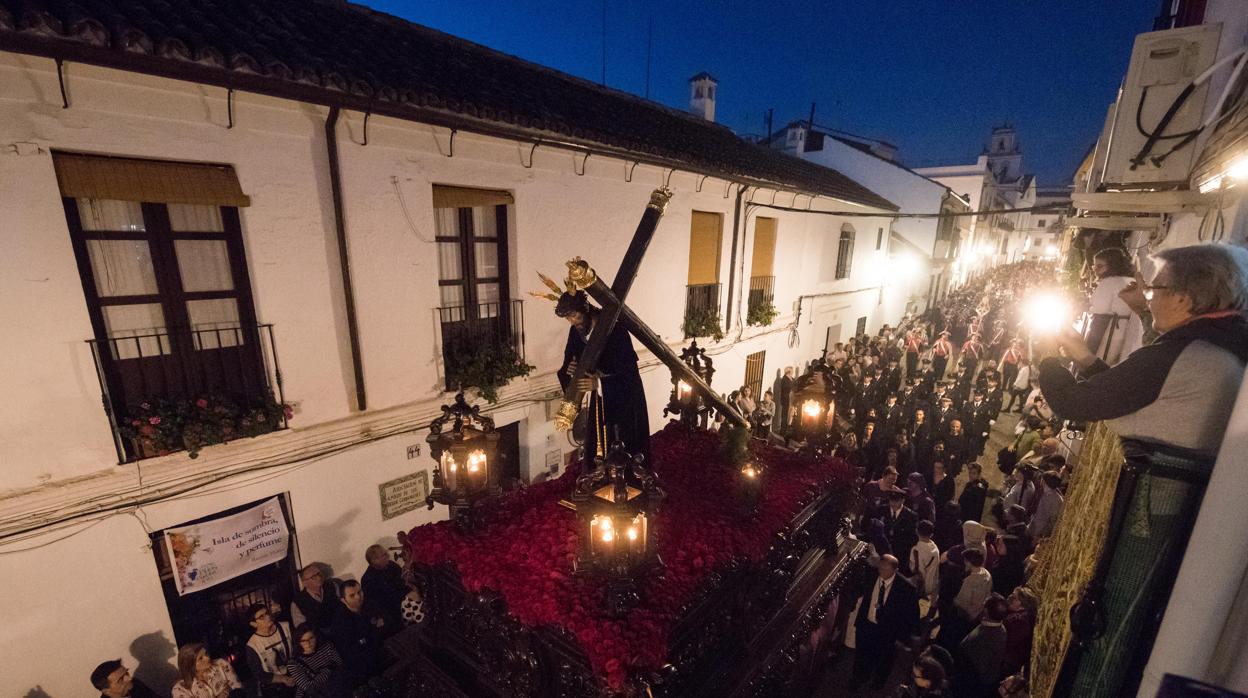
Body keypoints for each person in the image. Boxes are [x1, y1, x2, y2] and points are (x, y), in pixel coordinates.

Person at [1037, 243, 1248, 698]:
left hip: (1151, 510)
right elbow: (1124, 392)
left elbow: (1077, 402)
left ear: (1185, 300)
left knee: (1110, 624)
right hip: (1170, 502)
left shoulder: (1184, 354)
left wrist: (1046, 357)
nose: (1147, 296)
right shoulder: (1213, 346)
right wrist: (1087, 359)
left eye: (1156, 288)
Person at [556, 283, 649, 462]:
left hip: (624, 403)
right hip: (600, 403)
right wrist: (570, 370)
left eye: (574, 316)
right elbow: (568, 363)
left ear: (586, 308)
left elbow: (629, 374)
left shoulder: (616, 330)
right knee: (598, 449)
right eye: (568, 319)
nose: (573, 322)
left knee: (623, 447)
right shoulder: (576, 332)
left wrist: (599, 384)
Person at [850, 555, 921, 691]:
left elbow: (910, 616)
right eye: (880, 568)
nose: (881, 573)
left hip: (887, 632)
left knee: (884, 661)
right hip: (866, 625)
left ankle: (877, 684)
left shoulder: (906, 588)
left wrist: (902, 638)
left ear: (895, 570)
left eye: (886, 570)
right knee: (861, 655)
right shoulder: (871, 575)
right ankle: (858, 678)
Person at [1084, 246, 1143, 365]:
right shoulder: (1129, 279)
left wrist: (1086, 307)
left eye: (1100, 266)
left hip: (1109, 331)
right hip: (1123, 328)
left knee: (1097, 362)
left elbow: (1100, 308)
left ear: (1112, 265)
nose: (1095, 270)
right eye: (1095, 266)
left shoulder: (1109, 282)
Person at [329, 580, 385, 688]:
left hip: (380, 648)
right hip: (362, 664)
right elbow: (352, 650)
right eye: (352, 595)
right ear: (343, 600)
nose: (358, 597)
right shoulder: (340, 622)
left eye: (359, 592)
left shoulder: (369, 604)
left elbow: (386, 621)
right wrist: (374, 631)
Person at [955, 594, 1009, 698]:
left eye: (984, 604)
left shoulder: (988, 638)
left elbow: (977, 668)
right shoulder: (997, 627)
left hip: (970, 683)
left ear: (986, 611)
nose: (982, 604)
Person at [244, 602, 296, 695]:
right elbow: (259, 674)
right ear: (253, 624)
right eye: (261, 617)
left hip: (296, 672)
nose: (268, 617)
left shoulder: (285, 627)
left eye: (267, 613)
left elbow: (298, 648)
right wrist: (283, 679)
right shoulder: (252, 645)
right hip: (274, 686)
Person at [289, 624, 351, 698]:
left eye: (311, 638)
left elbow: (340, 665)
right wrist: (328, 669)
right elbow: (309, 688)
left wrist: (319, 676)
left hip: (335, 688)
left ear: (316, 636)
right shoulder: (294, 663)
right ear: (298, 642)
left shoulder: (327, 646)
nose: (308, 643)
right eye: (303, 641)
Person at [360, 545, 406, 635]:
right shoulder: (368, 579)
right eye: (384, 555)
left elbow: (403, 582)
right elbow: (374, 603)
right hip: (389, 611)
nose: (388, 555)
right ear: (374, 561)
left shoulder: (392, 565)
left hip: (403, 600)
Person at [171, 643, 242, 698]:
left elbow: (238, 688)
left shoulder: (221, 664)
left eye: (206, 653)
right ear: (190, 665)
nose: (207, 658)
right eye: (201, 658)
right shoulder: (180, 688)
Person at [292, 564, 341, 631]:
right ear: (305, 583)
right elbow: (302, 630)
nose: (319, 578)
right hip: (319, 637)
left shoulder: (332, 586)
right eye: (313, 577)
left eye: (319, 574)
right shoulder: (297, 603)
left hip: (340, 629)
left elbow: (343, 608)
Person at [909, 519, 942, 601]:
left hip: (920, 586)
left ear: (917, 531)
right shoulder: (935, 548)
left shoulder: (916, 550)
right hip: (933, 585)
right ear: (931, 534)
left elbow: (915, 569)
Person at [91, 660, 160, 698]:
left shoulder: (136, 685)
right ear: (106, 691)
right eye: (121, 679)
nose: (129, 678)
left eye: (126, 673)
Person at [1027, 471, 1064, 540]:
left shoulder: (1048, 498)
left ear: (1043, 481)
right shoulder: (1055, 496)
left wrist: (1038, 536)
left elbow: (1044, 519)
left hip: (1038, 536)